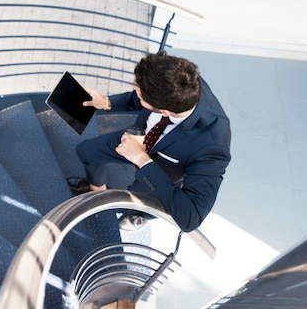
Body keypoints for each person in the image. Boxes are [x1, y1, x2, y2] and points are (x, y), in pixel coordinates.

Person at [67, 51, 231, 232]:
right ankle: (97, 191)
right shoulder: (183, 82)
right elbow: (144, 98)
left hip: (160, 170)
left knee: (143, 198)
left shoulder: (212, 146)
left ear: (165, 111)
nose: (136, 93)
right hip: (140, 136)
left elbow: (191, 217)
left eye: (140, 94)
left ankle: (144, 215)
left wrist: (142, 160)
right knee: (87, 151)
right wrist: (106, 102)